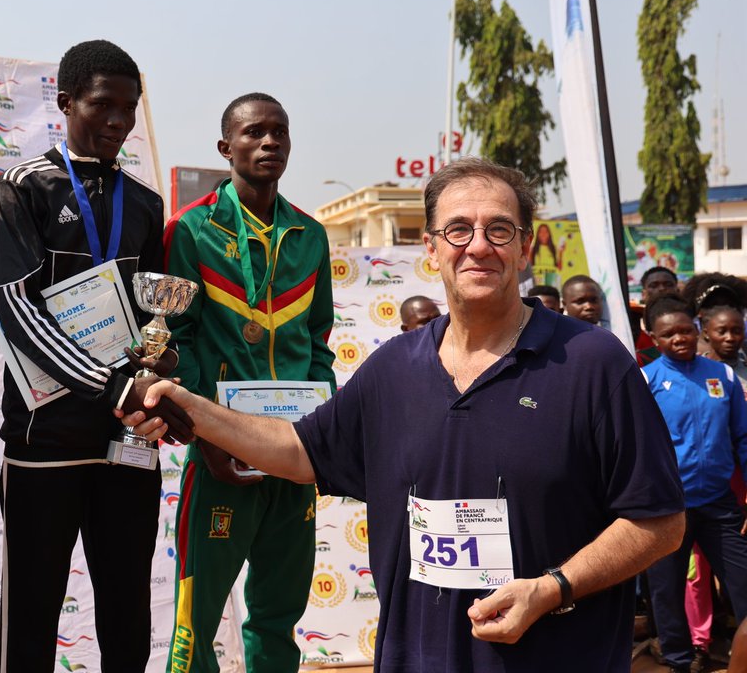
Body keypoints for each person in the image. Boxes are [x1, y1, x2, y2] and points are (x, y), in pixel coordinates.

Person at [121, 157, 685, 671]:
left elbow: (659, 522)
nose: (479, 246)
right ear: (433, 248)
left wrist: (552, 588)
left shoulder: (593, 362)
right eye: (459, 230)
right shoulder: (394, 369)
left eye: (499, 230)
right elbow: (298, 451)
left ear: (525, 246)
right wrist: (192, 408)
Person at [0, 39, 191, 673]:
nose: (118, 121)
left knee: (128, 614)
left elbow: (148, 319)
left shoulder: (145, 202)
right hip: (44, 435)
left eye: (129, 108)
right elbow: (20, 311)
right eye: (103, 105)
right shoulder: (24, 188)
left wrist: (159, 365)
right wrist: (114, 387)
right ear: (66, 102)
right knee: (32, 615)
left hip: (125, 440)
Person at [160, 92, 335, 672]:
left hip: (291, 455)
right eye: (255, 132)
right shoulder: (191, 230)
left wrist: (321, 435)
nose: (269, 142)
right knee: (196, 622)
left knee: (278, 617)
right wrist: (205, 433)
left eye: (279, 132)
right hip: (220, 455)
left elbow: (317, 345)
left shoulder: (309, 234)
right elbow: (176, 342)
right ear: (224, 146)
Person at [642, 295, 747, 673]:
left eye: (686, 330)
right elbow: (634, 447)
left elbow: (744, 438)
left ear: (698, 329)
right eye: (669, 334)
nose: (680, 338)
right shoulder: (646, 381)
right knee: (666, 590)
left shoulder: (724, 377)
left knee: (742, 582)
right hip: (668, 507)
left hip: (719, 504)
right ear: (653, 338)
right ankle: (678, 660)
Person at [704, 305, 747, 384]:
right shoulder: (694, 369)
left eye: (737, 332)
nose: (730, 338)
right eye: (721, 332)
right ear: (706, 333)